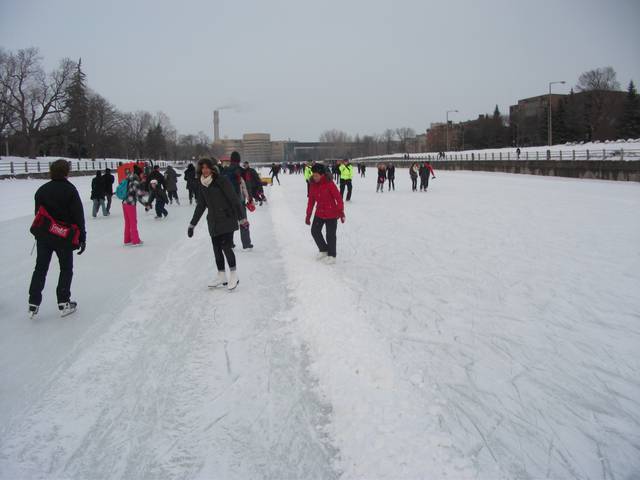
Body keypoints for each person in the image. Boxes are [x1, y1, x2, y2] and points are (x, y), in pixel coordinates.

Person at [28, 160, 86, 318]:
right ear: (66, 171)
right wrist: (82, 236)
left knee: (40, 268)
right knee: (66, 269)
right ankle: (63, 301)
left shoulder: (42, 190)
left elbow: (38, 214)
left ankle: (33, 303)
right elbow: (78, 215)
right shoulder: (70, 190)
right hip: (63, 237)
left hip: (45, 236)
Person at [188, 158, 247, 290]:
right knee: (216, 249)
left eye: (207, 167)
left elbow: (234, 199)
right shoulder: (202, 183)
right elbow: (201, 205)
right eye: (202, 168)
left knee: (226, 247)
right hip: (213, 221)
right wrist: (192, 224)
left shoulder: (221, 181)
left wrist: (242, 218)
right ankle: (221, 275)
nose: (205, 170)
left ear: (212, 168)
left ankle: (233, 274)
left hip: (227, 218)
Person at [306, 164, 345, 265]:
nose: (314, 177)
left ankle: (332, 255)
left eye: (316, 175)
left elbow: (339, 198)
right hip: (319, 212)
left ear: (322, 175)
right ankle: (323, 250)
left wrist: (340, 212)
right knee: (314, 231)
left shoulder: (329, 183)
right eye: (313, 175)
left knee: (330, 235)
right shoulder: (313, 185)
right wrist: (308, 215)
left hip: (331, 213)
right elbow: (311, 201)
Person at [223, 151, 253, 250]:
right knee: (243, 221)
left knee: (230, 223)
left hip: (227, 200)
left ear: (231, 160)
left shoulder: (225, 170)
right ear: (239, 160)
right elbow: (247, 185)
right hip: (239, 200)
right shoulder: (241, 170)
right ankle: (246, 244)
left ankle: (230, 243)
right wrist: (250, 198)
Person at [122, 165, 147, 246]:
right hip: (130, 204)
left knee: (128, 222)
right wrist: (146, 204)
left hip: (125, 203)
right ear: (138, 174)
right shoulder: (135, 182)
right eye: (141, 174)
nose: (142, 175)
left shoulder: (129, 179)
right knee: (133, 222)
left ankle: (127, 240)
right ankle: (135, 240)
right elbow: (139, 196)